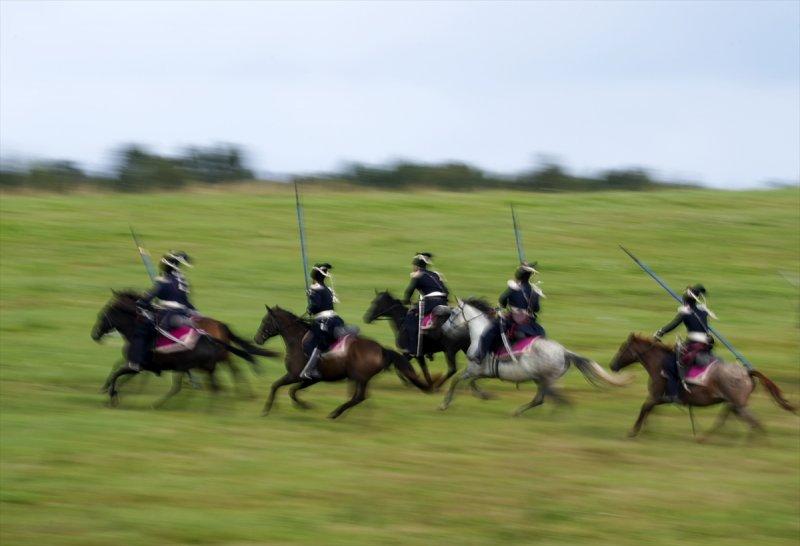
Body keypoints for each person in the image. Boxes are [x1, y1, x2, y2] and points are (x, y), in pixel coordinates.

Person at [128, 251, 198, 371]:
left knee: (140, 332)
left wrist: (143, 303)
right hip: (184, 313)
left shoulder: (163, 281)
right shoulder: (183, 281)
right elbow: (186, 302)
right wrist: (195, 313)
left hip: (168, 315)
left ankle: (135, 362)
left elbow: (147, 299)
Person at [654, 284, 717, 399]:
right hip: (707, 345)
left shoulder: (686, 312)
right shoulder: (703, 311)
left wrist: (660, 332)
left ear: (686, 300)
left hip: (694, 344)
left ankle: (673, 394)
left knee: (669, 363)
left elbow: (673, 325)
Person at [474, 262, 544, 362]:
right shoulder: (535, 291)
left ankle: (480, 356)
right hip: (529, 321)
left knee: (490, 332)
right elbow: (537, 309)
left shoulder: (514, 288)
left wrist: (505, 306)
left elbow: (502, 300)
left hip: (514, 319)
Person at [301, 263, 344, 380]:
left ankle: (313, 370)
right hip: (336, 320)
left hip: (323, 322)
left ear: (314, 277)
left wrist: (310, 305)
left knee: (309, 343)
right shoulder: (328, 289)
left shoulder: (314, 289)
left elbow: (316, 306)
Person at [401, 253, 449, 357]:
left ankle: (413, 350)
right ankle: (430, 350)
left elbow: (409, 291)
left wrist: (406, 300)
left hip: (432, 302)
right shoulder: (435, 274)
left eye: (413, 265)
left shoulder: (418, 274)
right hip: (443, 301)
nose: (413, 267)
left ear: (417, 266)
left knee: (411, 317)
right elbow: (446, 291)